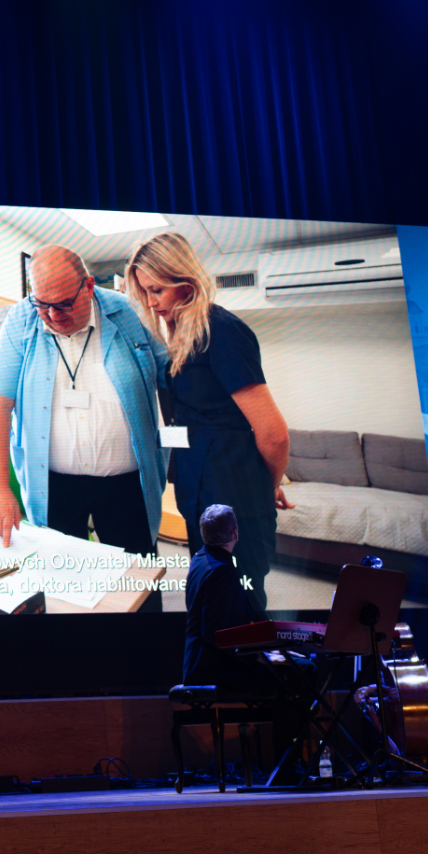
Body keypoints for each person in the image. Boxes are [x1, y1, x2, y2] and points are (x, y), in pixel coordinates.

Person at [126, 232, 292, 614]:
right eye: (145, 292)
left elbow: (273, 434)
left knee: (239, 604)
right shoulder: (185, 334)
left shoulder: (222, 330)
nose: (151, 302)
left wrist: (267, 486)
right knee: (209, 599)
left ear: (185, 283)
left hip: (234, 496)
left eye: (157, 290)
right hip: (201, 492)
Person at [0, 244, 168, 555]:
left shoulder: (129, 311)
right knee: (61, 572)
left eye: (64, 304)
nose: (53, 316)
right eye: (43, 305)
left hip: (127, 483)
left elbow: (172, 377)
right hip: (54, 484)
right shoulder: (21, 319)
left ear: (89, 286)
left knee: (135, 573)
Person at [183, 504, 312, 771]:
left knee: (293, 670)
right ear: (235, 533)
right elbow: (216, 634)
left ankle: (287, 763)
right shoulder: (221, 570)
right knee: (302, 671)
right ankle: (287, 767)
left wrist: (264, 652)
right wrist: (259, 658)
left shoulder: (200, 559)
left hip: (207, 663)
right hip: (214, 667)